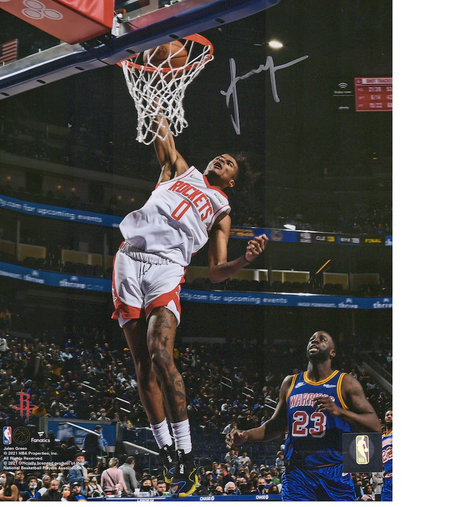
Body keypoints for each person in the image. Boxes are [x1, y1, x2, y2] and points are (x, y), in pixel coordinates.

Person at [111, 113, 268, 498]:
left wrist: (243, 261)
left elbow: (215, 272)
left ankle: (187, 450)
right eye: (221, 156)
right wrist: (158, 101)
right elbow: (159, 132)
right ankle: (166, 449)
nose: (221, 160)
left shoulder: (221, 210)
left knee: (161, 356)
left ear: (232, 181)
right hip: (128, 259)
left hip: (167, 270)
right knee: (143, 367)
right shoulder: (181, 169)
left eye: (229, 162)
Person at [227, 330, 381, 501]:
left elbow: (374, 425)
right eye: (312, 339)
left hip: (334, 471)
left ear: (332, 352)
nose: (315, 341)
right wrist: (246, 435)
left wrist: (340, 412)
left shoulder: (345, 383)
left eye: (322, 340)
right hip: (297, 474)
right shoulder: (290, 382)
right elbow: (276, 426)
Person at [381, 409, 393, 501]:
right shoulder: (381, 438)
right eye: (387, 415)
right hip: (387, 476)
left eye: (392, 415)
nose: (389, 416)